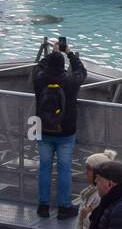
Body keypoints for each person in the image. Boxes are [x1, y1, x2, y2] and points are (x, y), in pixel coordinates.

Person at [32, 39, 87, 217]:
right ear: (63, 64)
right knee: (64, 168)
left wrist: (52, 53)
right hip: (66, 131)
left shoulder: (39, 79)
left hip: (43, 129)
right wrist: (69, 53)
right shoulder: (70, 80)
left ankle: (43, 206)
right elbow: (82, 71)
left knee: (44, 168)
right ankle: (64, 207)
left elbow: (38, 67)